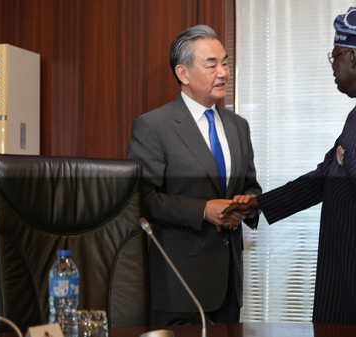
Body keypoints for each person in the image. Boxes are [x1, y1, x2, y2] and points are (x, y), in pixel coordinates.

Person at [222, 5, 356, 325]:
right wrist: (258, 205)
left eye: (334, 56)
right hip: (347, 283)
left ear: (353, 56)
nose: (333, 66)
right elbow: (328, 175)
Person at [127, 25, 261, 326]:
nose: (223, 72)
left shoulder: (238, 126)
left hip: (229, 285)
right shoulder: (153, 126)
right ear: (183, 74)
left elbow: (251, 184)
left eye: (225, 62)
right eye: (211, 64)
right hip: (179, 284)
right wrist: (203, 210)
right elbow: (141, 199)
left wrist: (249, 201)